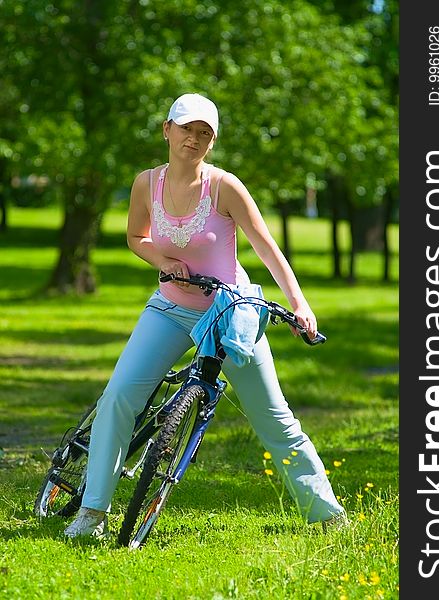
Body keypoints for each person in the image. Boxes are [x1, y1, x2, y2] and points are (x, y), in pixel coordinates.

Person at [64, 93, 346, 538]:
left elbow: (266, 248)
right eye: (185, 128)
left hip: (228, 313)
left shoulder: (224, 187)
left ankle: (328, 514)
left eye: (203, 133)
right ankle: (91, 512)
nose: (192, 138)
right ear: (166, 130)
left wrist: (299, 304)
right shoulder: (146, 184)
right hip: (169, 308)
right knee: (118, 396)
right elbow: (136, 236)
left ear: (211, 142)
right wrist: (162, 260)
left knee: (274, 418)